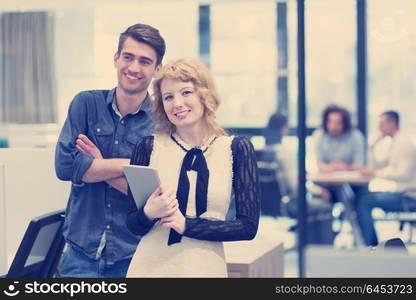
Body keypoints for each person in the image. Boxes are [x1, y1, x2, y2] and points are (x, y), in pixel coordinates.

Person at [125, 58, 260, 277]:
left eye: (186, 92)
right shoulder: (148, 147)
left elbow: (248, 227)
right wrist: (149, 212)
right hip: (150, 269)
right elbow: (133, 224)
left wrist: (186, 225)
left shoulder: (236, 149)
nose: (177, 103)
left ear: (204, 95)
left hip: (206, 269)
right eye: (168, 97)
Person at [54, 23, 166, 277]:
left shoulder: (163, 122)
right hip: (80, 254)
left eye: (145, 61)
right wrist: (130, 165)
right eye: (128, 57)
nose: (134, 68)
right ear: (116, 58)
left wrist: (97, 163)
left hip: (135, 256)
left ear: (157, 68)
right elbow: (64, 166)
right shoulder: (86, 104)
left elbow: (152, 197)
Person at [356, 111, 416, 246]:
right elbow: (377, 165)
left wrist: (375, 173)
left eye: (381, 124)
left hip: (409, 197)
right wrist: (372, 147)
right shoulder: (394, 142)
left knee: (364, 201)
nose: (379, 128)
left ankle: (370, 246)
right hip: (402, 194)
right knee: (362, 196)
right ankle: (371, 244)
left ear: (392, 123)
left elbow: (403, 174)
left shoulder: (404, 143)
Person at [312, 104, 365, 173]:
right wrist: (329, 168)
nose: (333, 126)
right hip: (325, 180)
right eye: (330, 122)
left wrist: (346, 168)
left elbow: (359, 164)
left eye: (338, 122)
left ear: (344, 123)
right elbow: (318, 163)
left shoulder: (356, 136)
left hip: (351, 179)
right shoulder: (319, 135)